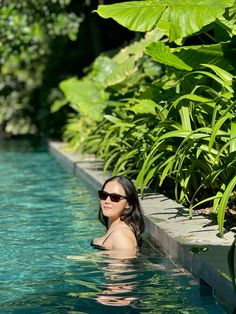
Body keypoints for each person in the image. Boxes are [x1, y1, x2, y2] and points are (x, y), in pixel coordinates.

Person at [91, 175, 145, 252]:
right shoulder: (118, 231)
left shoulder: (120, 235)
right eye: (104, 195)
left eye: (115, 197)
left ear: (128, 204)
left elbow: (125, 263)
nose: (107, 201)